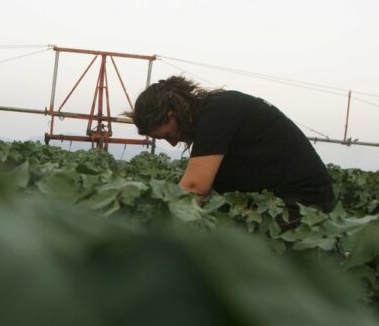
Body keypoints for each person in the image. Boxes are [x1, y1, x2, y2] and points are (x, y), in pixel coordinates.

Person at [125, 76, 335, 223]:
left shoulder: (218, 113)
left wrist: (152, 225)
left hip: (301, 207)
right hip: (279, 203)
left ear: (172, 115)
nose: (171, 143)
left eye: (167, 135)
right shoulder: (213, 115)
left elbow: (194, 187)